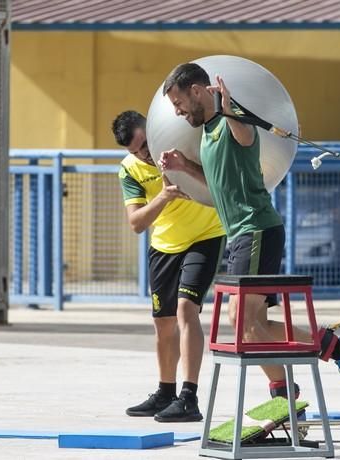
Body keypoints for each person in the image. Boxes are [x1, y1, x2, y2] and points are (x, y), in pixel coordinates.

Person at [158, 63, 340, 398]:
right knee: (251, 325)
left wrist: (231, 111)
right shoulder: (208, 135)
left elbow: (246, 136)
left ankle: (292, 384)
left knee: (243, 323)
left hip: (256, 230)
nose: (177, 111)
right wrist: (184, 167)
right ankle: (327, 356)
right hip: (243, 236)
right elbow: (218, 185)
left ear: (197, 91)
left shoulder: (232, 122)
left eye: (178, 102)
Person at [112, 110, 226, 422]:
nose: (144, 155)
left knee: (186, 308)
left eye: (145, 145)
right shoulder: (130, 169)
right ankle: (166, 391)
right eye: (136, 151)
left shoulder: (182, 142)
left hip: (206, 235)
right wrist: (164, 196)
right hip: (164, 245)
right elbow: (136, 223)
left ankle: (189, 396)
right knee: (163, 324)